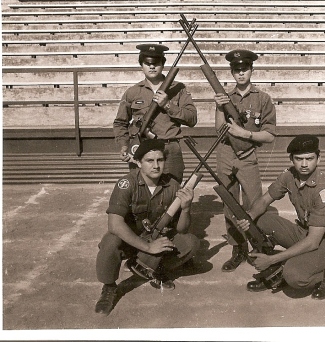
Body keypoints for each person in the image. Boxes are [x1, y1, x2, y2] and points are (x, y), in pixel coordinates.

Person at [94, 139, 200, 316]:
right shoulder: (127, 184)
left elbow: (182, 229)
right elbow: (114, 224)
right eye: (150, 161)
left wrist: (186, 208)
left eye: (160, 160)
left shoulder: (172, 185)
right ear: (138, 162)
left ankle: (157, 270)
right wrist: (148, 247)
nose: (156, 166)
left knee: (191, 243)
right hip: (130, 239)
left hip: (156, 238)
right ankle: (109, 287)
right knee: (110, 242)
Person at [235, 135, 325, 299]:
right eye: (299, 159)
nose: (304, 164)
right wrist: (248, 217)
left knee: (294, 276)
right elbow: (264, 200)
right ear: (291, 159)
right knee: (258, 220)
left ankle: (323, 272)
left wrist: (272, 260)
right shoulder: (289, 176)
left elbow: (313, 241)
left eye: (310, 158)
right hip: (303, 232)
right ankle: (277, 270)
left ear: (318, 159)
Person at [213, 49, 276, 272]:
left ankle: (257, 243)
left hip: (248, 155)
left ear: (251, 70)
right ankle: (237, 247)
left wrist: (245, 134)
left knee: (254, 202)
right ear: (231, 72)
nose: (241, 74)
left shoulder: (263, 98)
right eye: (236, 70)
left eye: (245, 69)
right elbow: (219, 130)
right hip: (226, 154)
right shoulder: (225, 97)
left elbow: (269, 135)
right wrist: (221, 106)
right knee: (229, 203)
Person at [113, 43, 197, 183]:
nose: (152, 66)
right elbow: (120, 122)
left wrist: (168, 105)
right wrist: (124, 145)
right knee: (142, 195)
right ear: (142, 65)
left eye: (156, 63)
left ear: (163, 64)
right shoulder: (133, 92)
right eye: (147, 63)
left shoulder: (178, 89)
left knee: (172, 191)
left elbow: (192, 118)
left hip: (169, 149)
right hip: (141, 148)